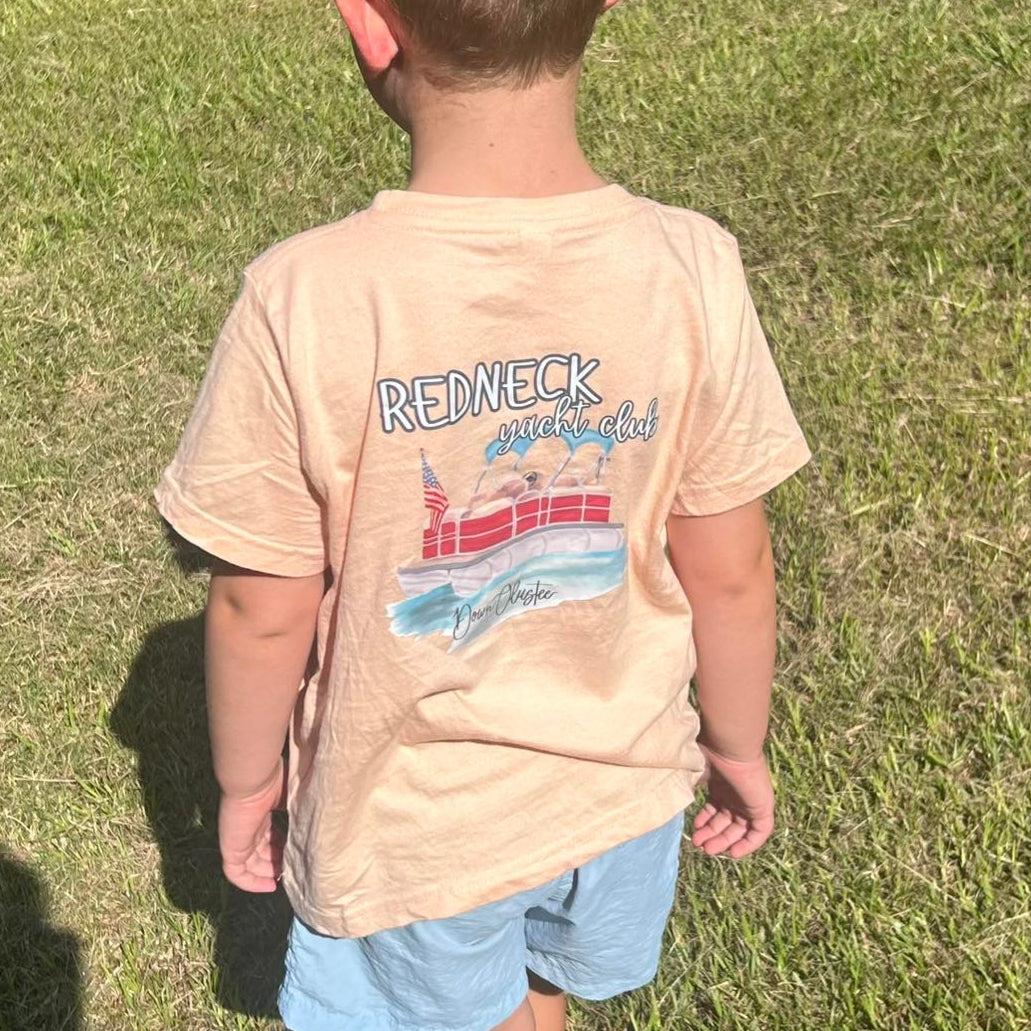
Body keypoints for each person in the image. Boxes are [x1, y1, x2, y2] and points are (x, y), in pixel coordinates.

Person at [152, 1, 812, 1028]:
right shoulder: (691, 264)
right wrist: (735, 743)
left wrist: (244, 785)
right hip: (620, 789)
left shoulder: (304, 297)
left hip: (417, 822)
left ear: (368, 25)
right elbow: (732, 569)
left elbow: (259, 610)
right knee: (538, 981)